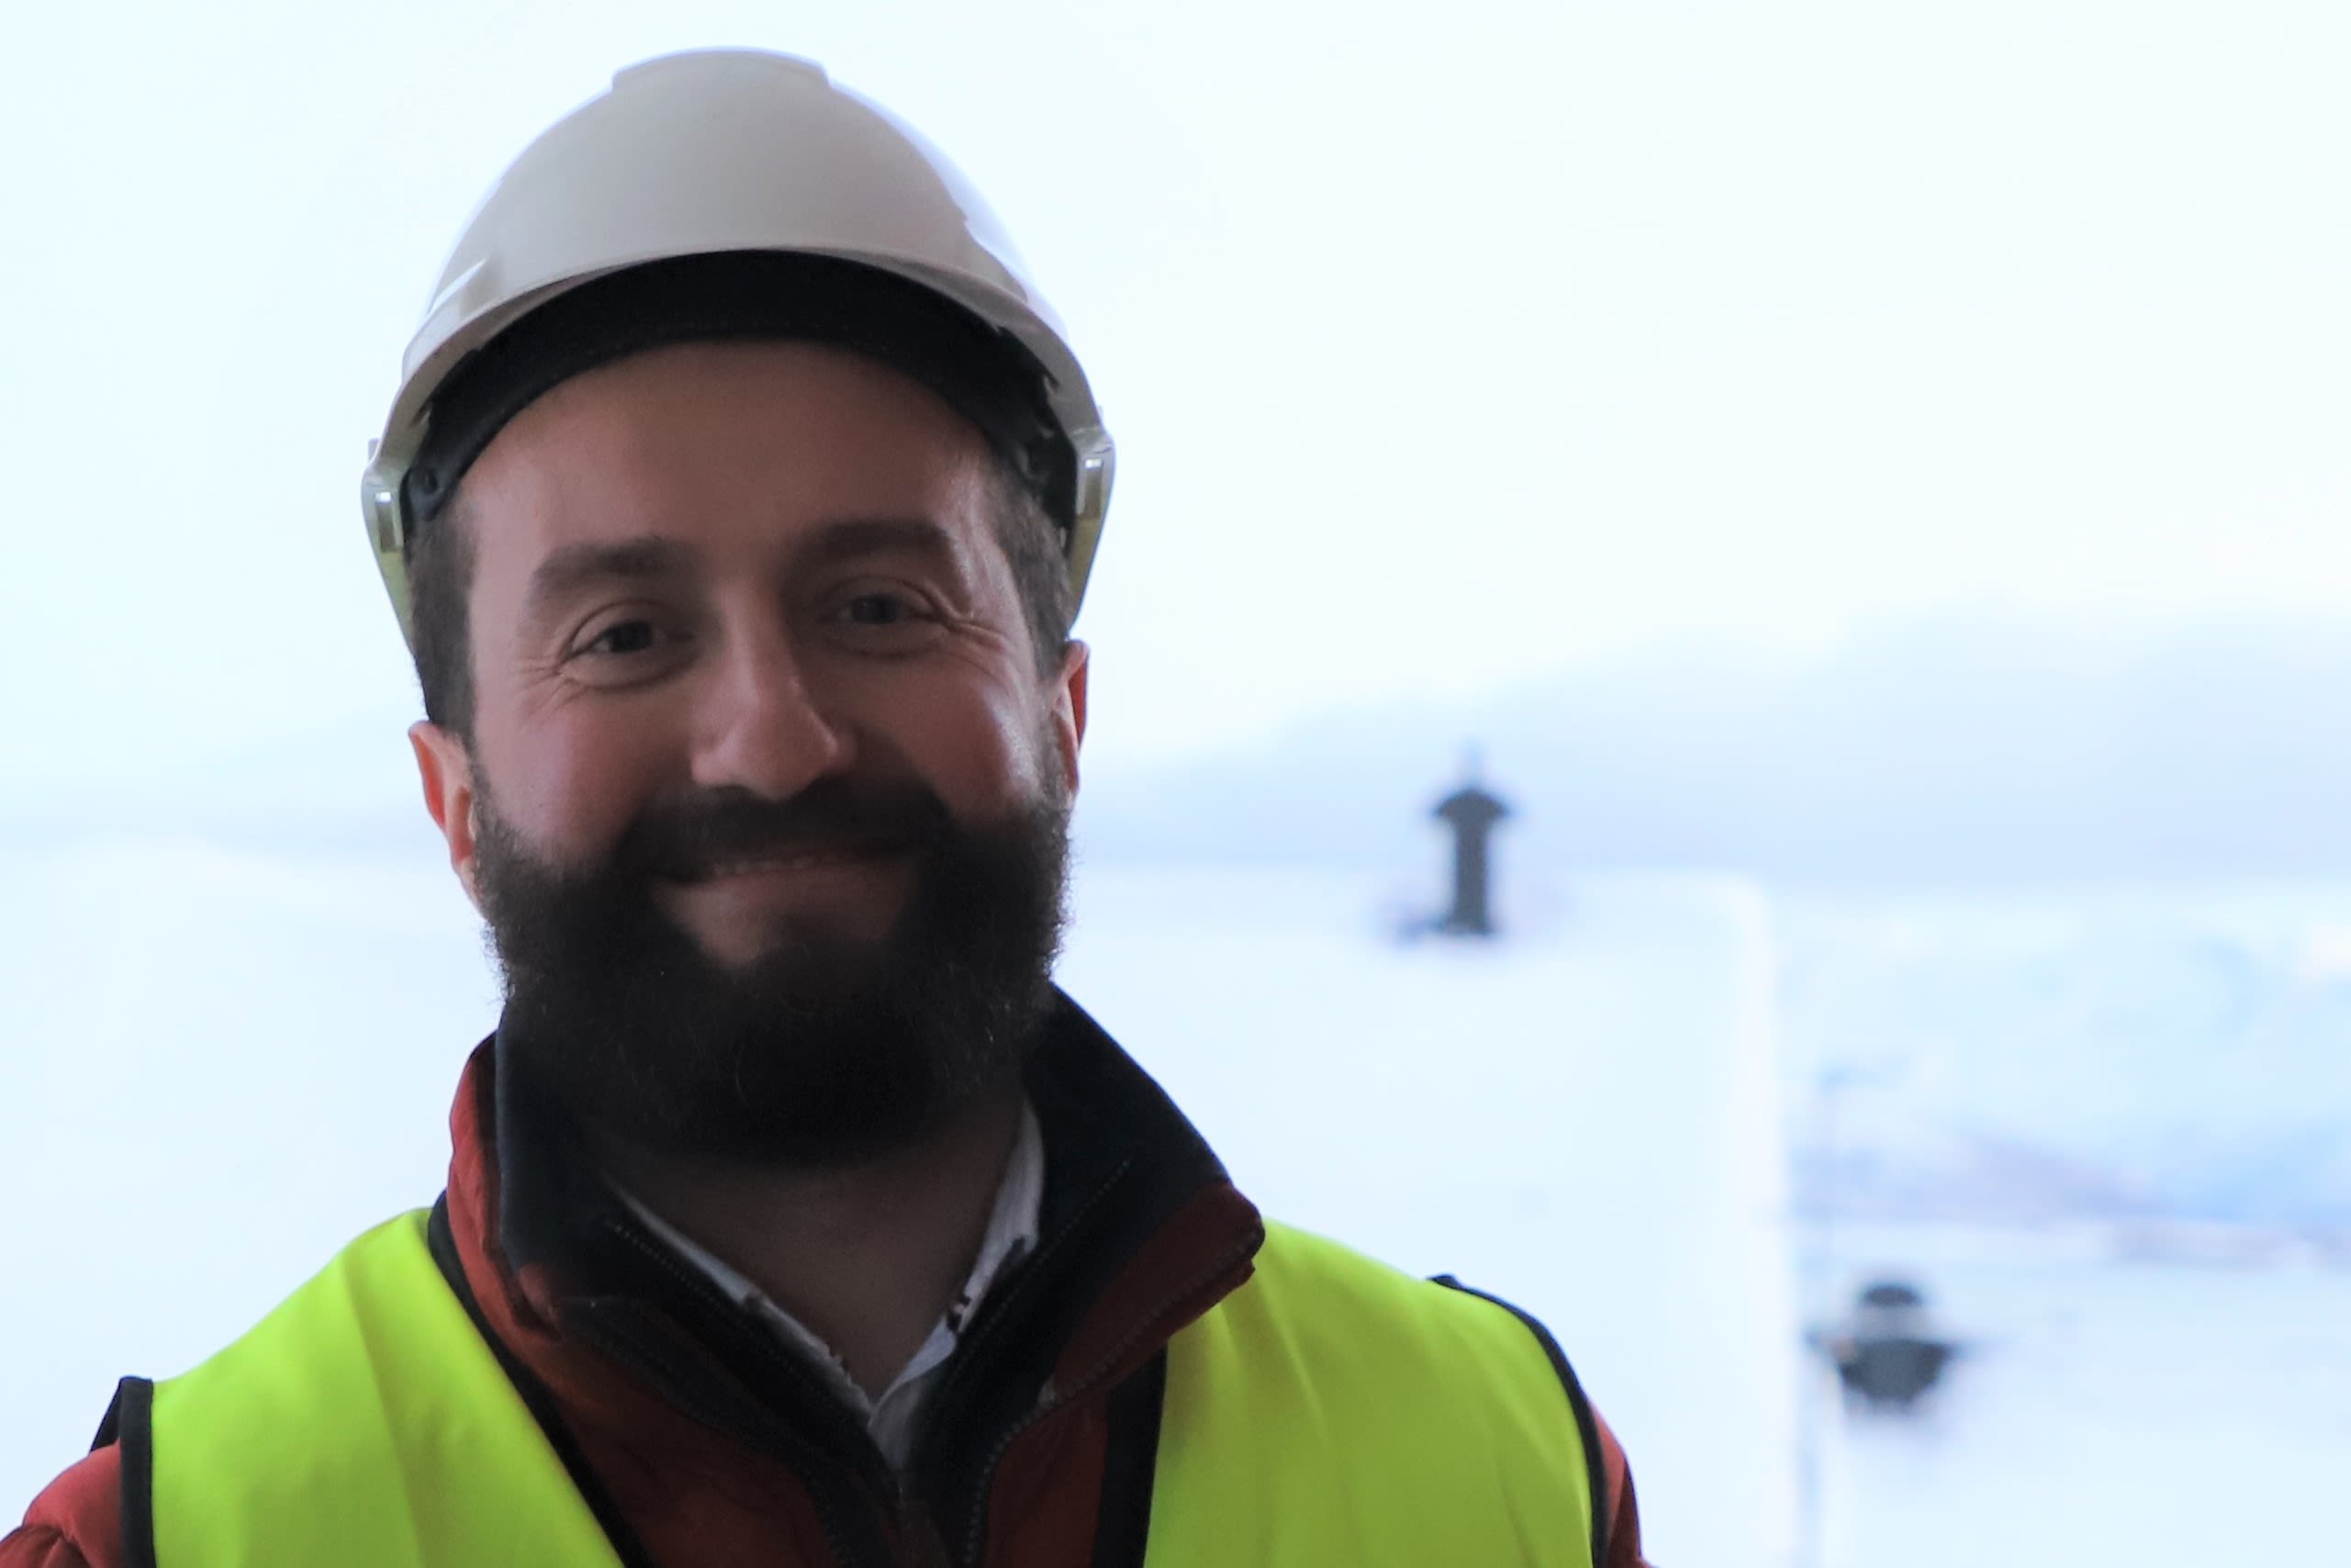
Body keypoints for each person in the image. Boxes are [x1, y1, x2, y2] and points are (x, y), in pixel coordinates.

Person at [5, 50, 1648, 1568]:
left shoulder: (1501, 1473)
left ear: (1061, 718)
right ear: (458, 799)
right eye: (625, 636)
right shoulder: (176, 1542)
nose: (771, 744)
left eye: (877, 606)